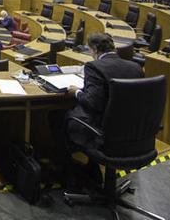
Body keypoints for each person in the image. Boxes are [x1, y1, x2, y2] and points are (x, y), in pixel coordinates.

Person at [52, 33, 143, 189]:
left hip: (104, 134)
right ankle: (93, 170)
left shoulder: (94, 67)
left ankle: (69, 174)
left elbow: (92, 103)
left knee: (57, 117)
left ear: (94, 49)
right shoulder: (135, 67)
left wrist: (77, 92)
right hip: (134, 134)